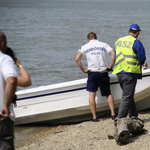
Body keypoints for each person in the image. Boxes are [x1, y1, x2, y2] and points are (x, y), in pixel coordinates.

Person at [75, 32, 116, 122]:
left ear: (88, 39)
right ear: (96, 38)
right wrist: (110, 67)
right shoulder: (103, 44)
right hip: (103, 72)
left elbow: (77, 59)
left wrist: (84, 70)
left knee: (92, 95)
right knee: (108, 94)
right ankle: (113, 114)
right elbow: (113, 54)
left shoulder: (84, 46)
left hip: (92, 73)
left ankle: (94, 117)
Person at [112, 24, 146, 119]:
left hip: (119, 72)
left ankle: (133, 115)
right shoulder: (136, 42)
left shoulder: (118, 41)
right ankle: (120, 119)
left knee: (128, 94)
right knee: (127, 96)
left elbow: (115, 54)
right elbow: (142, 57)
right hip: (130, 72)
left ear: (128, 31)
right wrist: (142, 63)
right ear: (138, 33)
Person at [0, 31, 17, 149]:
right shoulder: (4, 59)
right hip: (2, 116)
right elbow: (11, 80)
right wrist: (6, 105)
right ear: (3, 44)